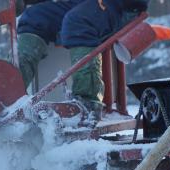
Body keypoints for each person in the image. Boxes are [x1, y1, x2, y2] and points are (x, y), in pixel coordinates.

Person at [16, 0, 149, 126]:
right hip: (81, 3)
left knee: (79, 22)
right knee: (34, 17)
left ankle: (88, 103)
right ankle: (11, 98)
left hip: (121, 5)